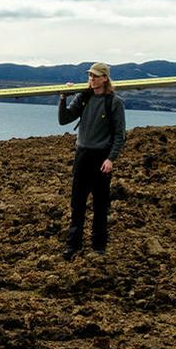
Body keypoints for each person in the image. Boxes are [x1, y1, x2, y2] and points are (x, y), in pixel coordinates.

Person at [59, 62, 126, 259]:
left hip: (101, 158)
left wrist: (110, 159)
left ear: (105, 78)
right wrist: (63, 97)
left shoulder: (114, 102)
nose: (92, 79)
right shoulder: (83, 97)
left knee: (100, 204)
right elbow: (64, 119)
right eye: (90, 76)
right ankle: (73, 246)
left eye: (96, 76)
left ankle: (98, 246)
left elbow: (120, 135)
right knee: (77, 203)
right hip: (82, 156)